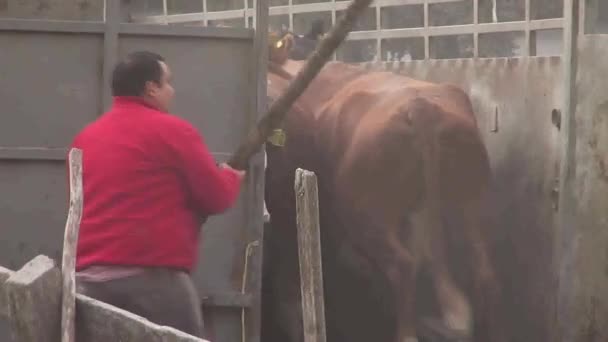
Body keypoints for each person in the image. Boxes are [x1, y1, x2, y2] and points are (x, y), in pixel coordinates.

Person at [70, 50, 245, 338]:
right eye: (168, 83)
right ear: (151, 88)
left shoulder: (85, 138)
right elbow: (216, 197)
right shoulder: (173, 131)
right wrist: (231, 176)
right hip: (155, 282)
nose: (172, 91)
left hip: (88, 281)